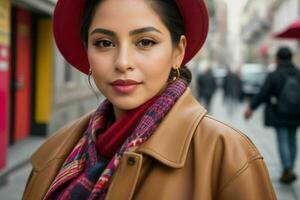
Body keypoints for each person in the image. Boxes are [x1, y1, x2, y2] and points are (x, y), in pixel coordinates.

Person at [22, 0, 276, 199]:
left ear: (178, 52)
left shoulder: (228, 155)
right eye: (104, 43)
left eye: (145, 42)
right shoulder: (53, 152)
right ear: (87, 52)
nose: (123, 62)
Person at [244, 46, 300, 184]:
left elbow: (264, 93)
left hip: (279, 113)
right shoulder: (298, 73)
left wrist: (251, 108)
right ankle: (290, 167)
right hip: (297, 113)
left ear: (278, 59)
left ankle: (287, 168)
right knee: (292, 140)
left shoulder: (274, 74)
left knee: (282, 140)